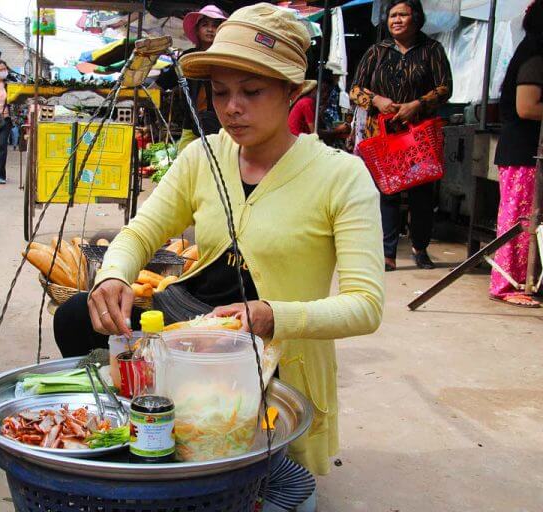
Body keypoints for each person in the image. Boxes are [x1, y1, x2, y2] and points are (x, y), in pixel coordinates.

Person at [54, 3, 384, 477]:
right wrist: (113, 275)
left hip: (271, 347)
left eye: (252, 91)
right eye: (220, 91)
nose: (232, 108)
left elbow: (366, 305)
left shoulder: (342, 177)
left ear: (292, 91)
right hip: (195, 319)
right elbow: (142, 231)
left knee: (239, 453)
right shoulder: (203, 155)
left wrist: (273, 315)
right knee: (76, 318)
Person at [350, 0, 452, 271]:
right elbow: (355, 89)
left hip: (418, 135)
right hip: (382, 134)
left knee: (421, 191)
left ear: (415, 18)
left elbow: (445, 88)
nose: (396, 20)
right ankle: (387, 252)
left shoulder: (432, 49)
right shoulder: (377, 51)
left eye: (402, 15)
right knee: (387, 192)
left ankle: (420, 247)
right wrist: (377, 99)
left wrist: (418, 104)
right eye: (392, 15)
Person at [489, 0, 543, 308]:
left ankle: (527, 280)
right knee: (519, 220)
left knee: (526, 220)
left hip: (525, 151)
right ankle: (508, 284)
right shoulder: (535, 56)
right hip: (523, 152)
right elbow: (526, 106)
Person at [155, 4, 228, 152]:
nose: (210, 29)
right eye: (205, 25)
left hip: (221, 121)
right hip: (192, 122)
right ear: (197, 30)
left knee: (218, 161)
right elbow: (168, 79)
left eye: (215, 25)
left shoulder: (226, 57)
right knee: (183, 161)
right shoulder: (188, 57)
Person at [288, 73, 351, 145]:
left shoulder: (312, 103)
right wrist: (336, 131)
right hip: (297, 143)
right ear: (314, 90)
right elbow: (315, 133)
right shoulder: (307, 103)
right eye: (323, 91)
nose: (325, 95)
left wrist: (323, 108)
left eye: (327, 92)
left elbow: (319, 124)